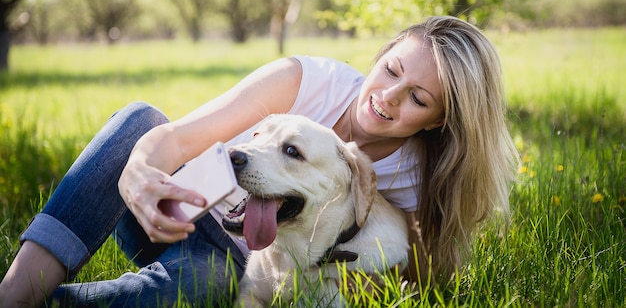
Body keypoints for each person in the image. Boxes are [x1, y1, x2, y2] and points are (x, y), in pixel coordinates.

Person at [0, 16, 519, 307]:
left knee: (210, 284)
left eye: (418, 99)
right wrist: (139, 172)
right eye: (391, 70)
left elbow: (407, 275)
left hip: (237, 260)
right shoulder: (306, 80)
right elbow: (177, 140)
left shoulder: (417, 174)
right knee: (141, 121)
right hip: (170, 206)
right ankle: (16, 293)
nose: (386, 97)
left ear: (437, 121)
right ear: (380, 55)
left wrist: (328, 284)